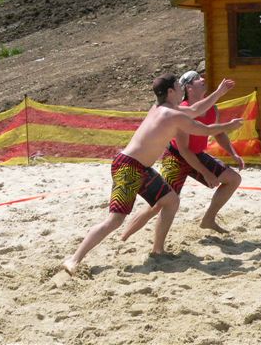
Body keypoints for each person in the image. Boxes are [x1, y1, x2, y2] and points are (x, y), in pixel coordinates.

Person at [62, 73, 243, 275]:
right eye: (178, 86)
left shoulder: (162, 107)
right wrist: (229, 125)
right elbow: (203, 130)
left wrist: (219, 92)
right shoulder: (171, 114)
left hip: (141, 168)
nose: (182, 89)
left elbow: (195, 110)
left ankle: (158, 250)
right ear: (171, 91)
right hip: (128, 167)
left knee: (171, 200)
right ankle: (73, 259)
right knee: (115, 220)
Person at [121, 70, 243, 240]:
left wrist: (233, 153)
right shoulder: (181, 111)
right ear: (188, 88)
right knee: (160, 203)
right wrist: (206, 173)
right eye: (197, 78)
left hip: (196, 155)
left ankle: (208, 219)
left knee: (234, 179)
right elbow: (184, 149)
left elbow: (218, 133)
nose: (202, 79)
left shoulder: (211, 109)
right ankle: (125, 236)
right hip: (176, 157)